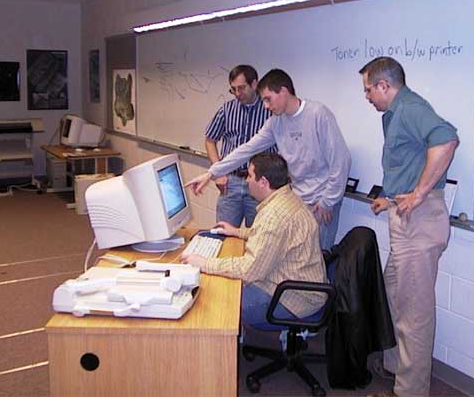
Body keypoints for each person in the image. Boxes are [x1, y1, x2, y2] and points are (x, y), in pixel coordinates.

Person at [359, 57, 459, 397]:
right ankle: (395, 369)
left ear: (384, 85)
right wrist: (390, 199)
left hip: (419, 222)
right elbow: (412, 161)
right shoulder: (395, 114)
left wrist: (418, 195)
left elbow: (446, 141)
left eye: (368, 89)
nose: (367, 97)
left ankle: (408, 393)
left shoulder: (411, 107)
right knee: (395, 296)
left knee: (413, 315)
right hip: (405, 219)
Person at [187, 69, 351, 251]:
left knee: (318, 258)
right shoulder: (276, 122)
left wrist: (328, 201)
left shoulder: (318, 114)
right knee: (294, 257)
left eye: (267, 99)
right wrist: (211, 173)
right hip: (297, 199)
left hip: (321, 202)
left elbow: (341, 161)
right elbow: (247, 149)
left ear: (283, 91)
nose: (265, 106)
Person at [181, 152, 327, 324]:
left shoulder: (274, 215)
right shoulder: (287, 198)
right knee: (221, 286)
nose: (247, 180)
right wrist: (237, 232)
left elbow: (249, 271)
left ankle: (229, 346)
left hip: (293, 299)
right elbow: (274, 238)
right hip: (296, 287)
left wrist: (205, 263)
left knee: (216, 303)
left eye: (250, 175)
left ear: (263, 182)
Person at [204, 64, 275, 227]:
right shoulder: (227, 109)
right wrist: (218, 171)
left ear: (255, 84)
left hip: (260, 184)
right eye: (233, 89)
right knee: (222, 233)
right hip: (231, 183)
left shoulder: (270, 110)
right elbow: (210, 140)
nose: (237, 94)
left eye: (241, 88)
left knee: (257, 238)